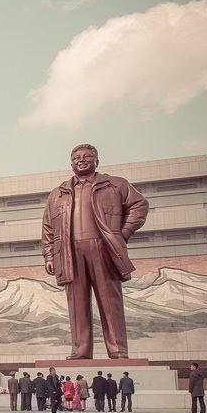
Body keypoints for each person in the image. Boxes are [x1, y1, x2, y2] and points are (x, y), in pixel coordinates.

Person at [42, 144, 149, 359]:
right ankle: (80, 350)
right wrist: (49, 255)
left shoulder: (115, 185)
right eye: (76, 157)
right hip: (70, 252)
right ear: (71, 163)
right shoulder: (58, 194)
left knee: (110, 301)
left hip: (104, 249)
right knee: (77, 304)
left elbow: (140, 205)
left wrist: (122, 233)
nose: (81, 160)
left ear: (97, 161)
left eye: (87, 156)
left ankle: (118, 350)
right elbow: (47, 227)